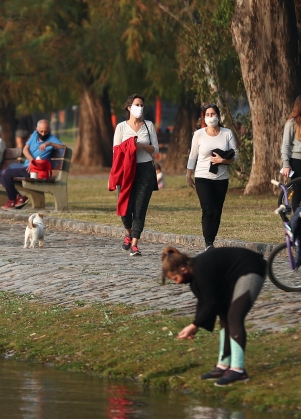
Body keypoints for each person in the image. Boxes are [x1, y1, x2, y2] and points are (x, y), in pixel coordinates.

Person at [162, 246, 266, 387]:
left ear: (183, 269)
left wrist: (194, 325)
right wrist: (196, 324)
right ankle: (223, 365)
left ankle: (238, 371)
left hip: (250, 269)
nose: (177, 282)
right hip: (233, 276)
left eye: (175, 278)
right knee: (224, 315)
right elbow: (204, 302)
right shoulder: (194, 277)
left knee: (234, 317)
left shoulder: (200, 270)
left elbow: (211, 303)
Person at [112, 94, 160, 256]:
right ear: (129, 107)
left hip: (145, 169)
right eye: (136, 105)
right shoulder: (121, 127)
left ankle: (134, 244)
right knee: (125, 208)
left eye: (141, 105)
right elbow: (116, 150)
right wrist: (129, 146)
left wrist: (143, 145)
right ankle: (128, 232)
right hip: (126, 170)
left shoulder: (148, 125)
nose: (139, 108)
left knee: (140, 209)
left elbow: (155, 149)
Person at [186, 103, 237, 250]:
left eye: (213, 114)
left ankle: (211, 239)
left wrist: (222, 160)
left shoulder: (227, 133)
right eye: (207, 115)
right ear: (204, 117)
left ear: (218, 116)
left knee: (217, 210)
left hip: (221, 178)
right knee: (207, 209)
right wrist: (189, 174)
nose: (210, 117)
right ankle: (208, 243)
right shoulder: (199, 134)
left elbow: (235, 156)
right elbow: (192, 155)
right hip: (202, 177)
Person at [0, 120, 63, 210]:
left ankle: (12, 200)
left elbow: (64, 148)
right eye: (41, 131)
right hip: (28, 166)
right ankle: (19, 197)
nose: (43, 134)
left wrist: (49, 143)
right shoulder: (34, 135)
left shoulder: (52, 139)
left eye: (46, 131)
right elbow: (25, 149)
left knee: (6, 174)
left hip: (37, 170)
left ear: (49, 130)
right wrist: (32, 160)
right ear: (36, 129)